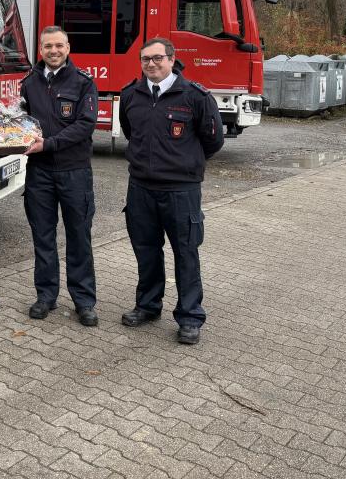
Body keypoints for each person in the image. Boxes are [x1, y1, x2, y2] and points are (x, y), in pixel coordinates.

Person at [118, 37, 223, 344]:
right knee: (146, 251)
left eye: (158, 58)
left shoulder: (195, 97)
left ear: (172, 59)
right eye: (146, 59)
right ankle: (148, 306)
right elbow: (130, 131)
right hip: (141, 188)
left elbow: (213, 141)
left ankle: (190, 317)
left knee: (186, 253)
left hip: (180, 191)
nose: (151, 64)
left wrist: (183, 164)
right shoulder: (131, 95)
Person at [20, 26, 99, 326]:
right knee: (43, 237)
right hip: (39, 172)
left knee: (79, 237)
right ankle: (46, 296)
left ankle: (84, 301)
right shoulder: (29, 83)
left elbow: (85, 125)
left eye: (58, 45)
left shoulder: (83, 83)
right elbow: (21, 122)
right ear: (40, 50)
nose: (53, 51)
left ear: (68, 47)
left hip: (74, 172)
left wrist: (49, 144)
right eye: (47, 46)